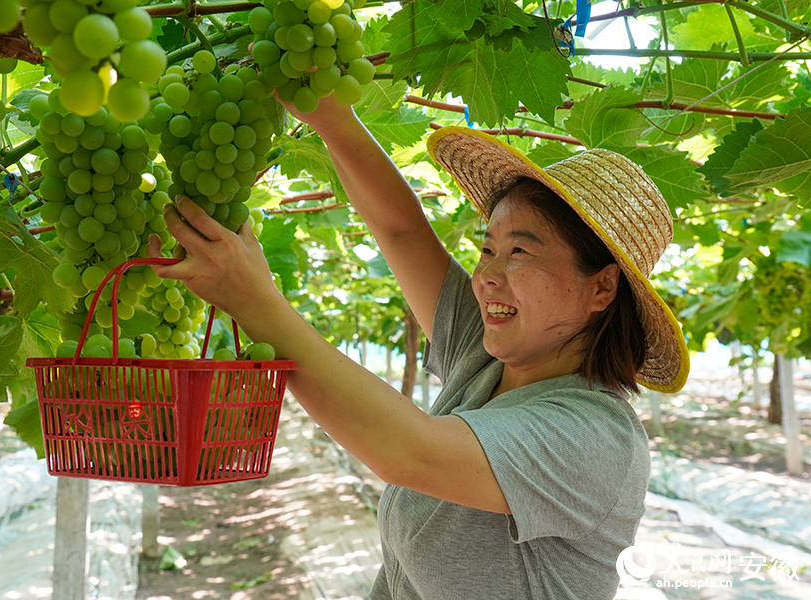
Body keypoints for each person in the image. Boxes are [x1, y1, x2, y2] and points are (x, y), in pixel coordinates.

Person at [147, 96, 690, 599]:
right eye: (487, 249)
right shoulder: (486, 359)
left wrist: (254, 301)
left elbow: (408, 453)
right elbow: (401, 231)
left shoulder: (595, 437)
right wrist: (328, 115)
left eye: (520, 252)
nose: (487, 278)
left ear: (601, 287)